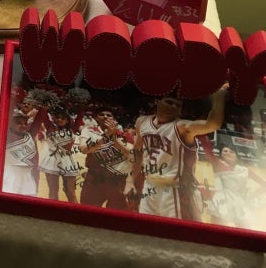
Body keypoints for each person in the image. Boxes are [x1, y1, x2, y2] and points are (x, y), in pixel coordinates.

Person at [127, 86, 228, 220]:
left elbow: (213, 124)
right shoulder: (142, 122)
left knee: (182, 235)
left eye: (178, 105)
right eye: (170, 102)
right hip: (149, 187)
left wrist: (219, 97)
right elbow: (137, 151)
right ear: (157, 101)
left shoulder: (182, 127)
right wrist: (129, 181)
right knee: (149, 232)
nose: (174, 106)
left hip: (177, 190)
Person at [78, 108, 131, 209]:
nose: (105, 116)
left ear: (114, 119)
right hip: (94, 178)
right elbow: (84, 149)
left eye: (108, 115)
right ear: (96, 118)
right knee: (87, 211)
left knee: (116, 216)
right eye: (102, 114)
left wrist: (115, 140)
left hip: (117, 180)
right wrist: (106, 136)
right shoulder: (88, 131)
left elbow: (131, 154)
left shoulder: (123, 134)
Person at [3, 109, 40, 196]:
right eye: (19, 123)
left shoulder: (30, 136)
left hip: (28, 181)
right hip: (8, 179)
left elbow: (39, 120)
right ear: (10, 124)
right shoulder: (7, 135)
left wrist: (43, 105)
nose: (23, 125)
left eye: (25, 123)